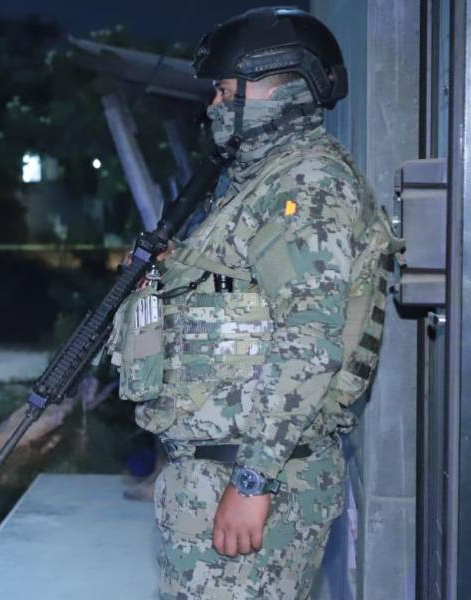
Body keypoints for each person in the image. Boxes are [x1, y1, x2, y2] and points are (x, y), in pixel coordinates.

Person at [109, 8, 394, 598]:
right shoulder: (262, 183)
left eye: (225, 91)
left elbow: (309, 339)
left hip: (251, 475)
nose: (214, 105)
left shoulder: (307, 185)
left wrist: (252, 480)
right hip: (215, 471)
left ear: (281, 88)